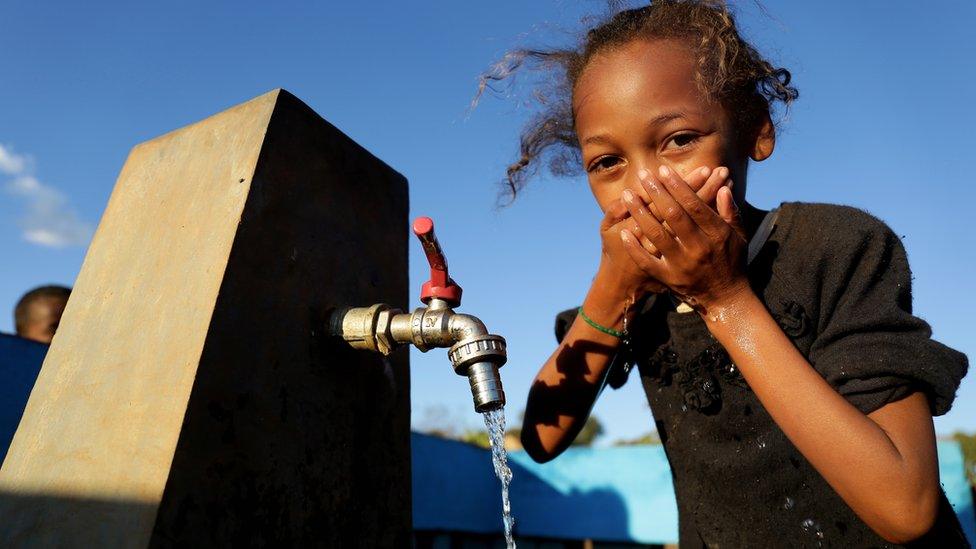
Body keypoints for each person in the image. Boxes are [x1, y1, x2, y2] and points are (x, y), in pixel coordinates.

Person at [482, 2, 970, 546]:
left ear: (755, 131)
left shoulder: (834, 247)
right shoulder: (638, 296)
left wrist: (725, 299)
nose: (646, 185)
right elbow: (543, 436)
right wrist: (614, 287)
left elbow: (907, 508)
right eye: (608, 163)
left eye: (679, 139)